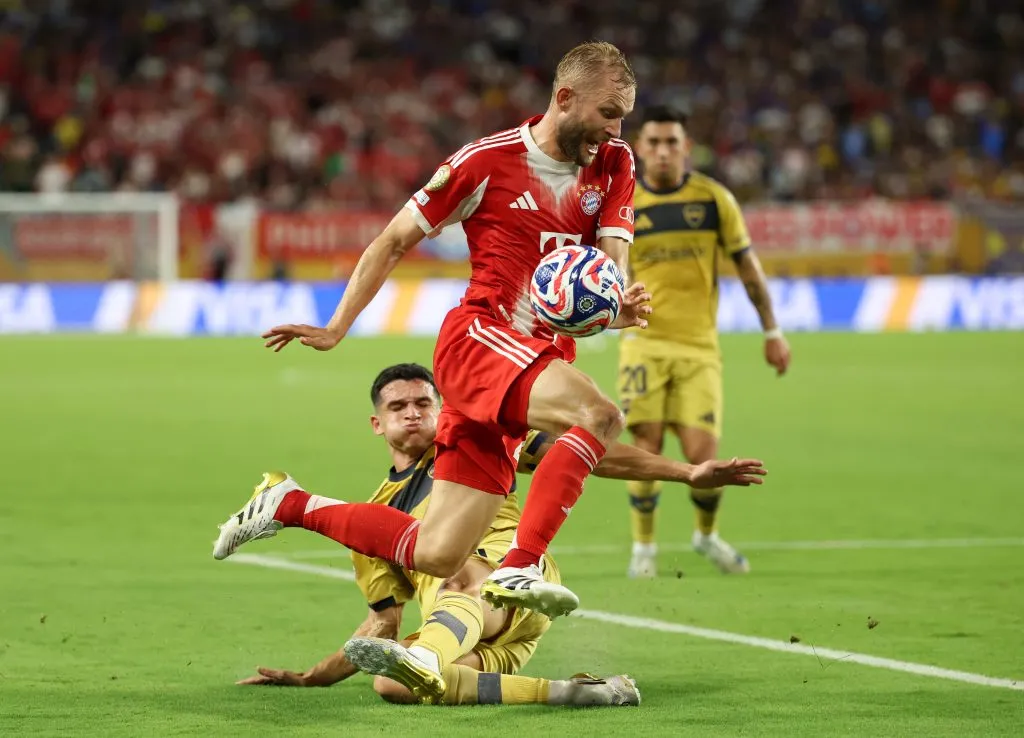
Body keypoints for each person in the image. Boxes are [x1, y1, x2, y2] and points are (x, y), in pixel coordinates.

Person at [221, 41, 758, 620]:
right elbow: (393, 240)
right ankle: (521, 565)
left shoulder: (616, 163)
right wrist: (335, 327)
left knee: (436, 549)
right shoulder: (483, 161)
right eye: (608, 113)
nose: (616, 128)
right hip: (481, 339)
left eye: (623, 114)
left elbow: (609, 264)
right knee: (599, 414)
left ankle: (289, 502)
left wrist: (613, 303)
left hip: (536, 358)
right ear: (565, 98)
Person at [234, 363, 764, 705]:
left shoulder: (477, 444)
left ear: (441, 410)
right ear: (378, 424)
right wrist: (311, 678)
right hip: (487, 640)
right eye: (399, 408)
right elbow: (382, 626)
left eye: (423, 403)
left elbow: (583, 454)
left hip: (515, 584)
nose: (413, 414)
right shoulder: (374, 516)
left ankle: (435, 647)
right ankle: (571, 694)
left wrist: (686, 472)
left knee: (456, 570)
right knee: (392, 684)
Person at [619, 106, 792, 579]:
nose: (662, 151)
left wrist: (772, 330)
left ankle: (705, 535)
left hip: (699, 347)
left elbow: (749, 268)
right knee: (646, 444)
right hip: (643, 343)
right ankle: (644, 548)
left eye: (671, 142)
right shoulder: (624, 204)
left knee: (702, 454)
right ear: (640, 147)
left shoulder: (714, 199)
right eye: (653, 142)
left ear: (686, 147)